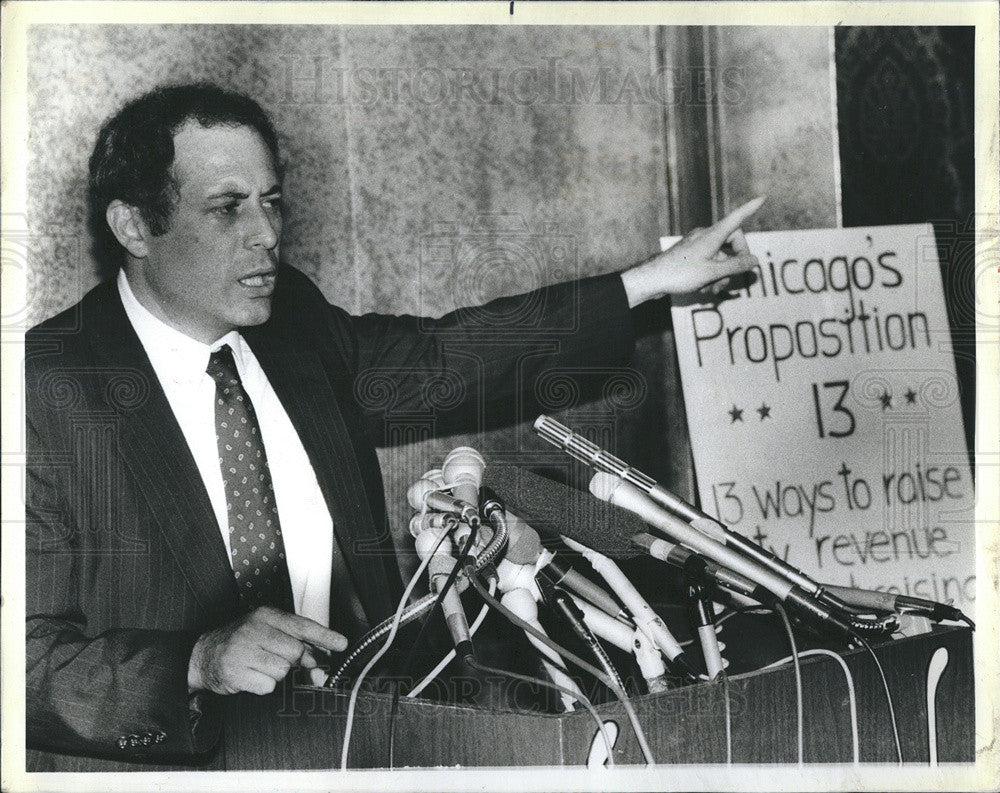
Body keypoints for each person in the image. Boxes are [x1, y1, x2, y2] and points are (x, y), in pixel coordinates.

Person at [25, 83, 762, 771]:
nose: (266, 235)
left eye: (272, 201)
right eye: (227, 208)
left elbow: (453, 357)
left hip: (360, 749)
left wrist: (649, 282)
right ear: (133, 226)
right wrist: (194, 660)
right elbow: (20, 661)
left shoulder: (295, 327)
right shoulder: (42, 389)